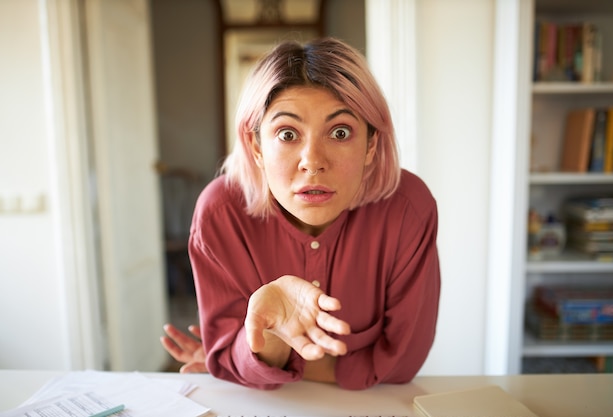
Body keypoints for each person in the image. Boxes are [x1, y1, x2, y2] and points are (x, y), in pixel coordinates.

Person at [160, 37, 440, 390]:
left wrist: (248, 360)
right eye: (288, 133)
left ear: (370, 145)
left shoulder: (409, 209)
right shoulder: (220, 214)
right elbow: (227, 359)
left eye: (339, 132)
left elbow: (401, 363)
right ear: (255, 145)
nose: (313, 162)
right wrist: (270, 334)